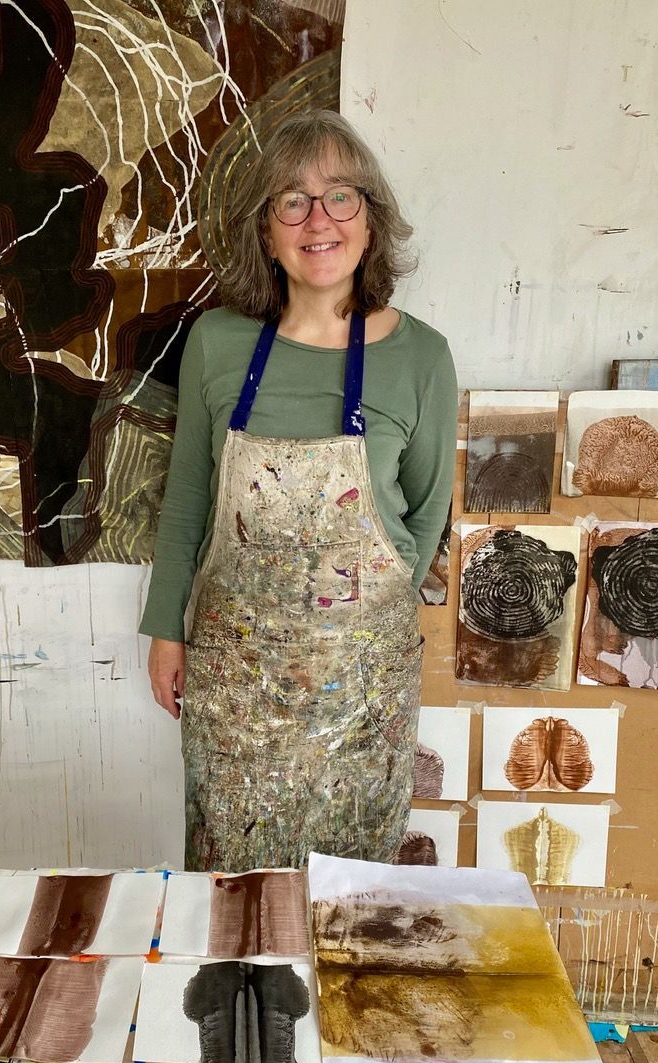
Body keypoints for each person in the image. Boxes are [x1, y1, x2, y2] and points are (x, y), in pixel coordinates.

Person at [139, 109, 457, 872]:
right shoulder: (216, 342)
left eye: (339, 196)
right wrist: (165, 631)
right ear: (266, 229)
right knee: (231, 893)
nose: (318, 220)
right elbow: (188, 500)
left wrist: (361, 627)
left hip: (362, 692)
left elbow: (427, 509)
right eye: (292, 200)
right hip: (233, 687)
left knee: (349, 900)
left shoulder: (421, 358)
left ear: (370, 220)